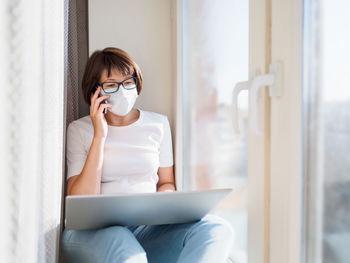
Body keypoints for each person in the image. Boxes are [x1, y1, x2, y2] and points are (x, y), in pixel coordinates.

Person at [60, 47, 234, 263]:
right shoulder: (79, 130)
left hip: (146, 231)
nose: (123, 90)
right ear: (95, 91)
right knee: (124, 246)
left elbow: (166, 182)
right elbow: (80, 200)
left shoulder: (158, 124)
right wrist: (100, 136)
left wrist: (166, 201)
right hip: (91, 234)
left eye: (128, 82)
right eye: (112, 85)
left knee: (217, 229)